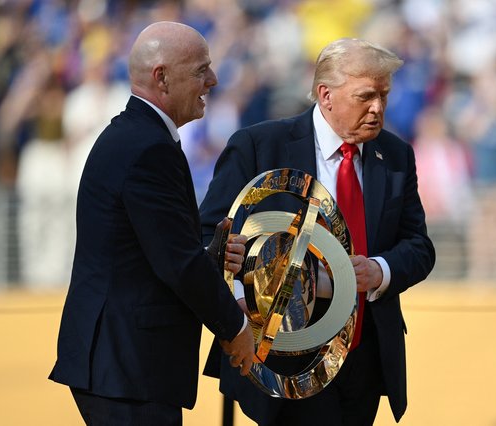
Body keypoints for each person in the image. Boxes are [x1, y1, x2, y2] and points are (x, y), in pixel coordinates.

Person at [200, 38, 436, 425]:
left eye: (384, 95)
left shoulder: (395, 156)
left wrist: (381, 270)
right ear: (325, 95)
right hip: (280, 348)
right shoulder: (260, 146)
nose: (378, 108)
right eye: (366, 96)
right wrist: (240, 301)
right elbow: (209, 234)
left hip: (363, 354)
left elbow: (419, 246)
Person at [48, 21, 255, 426]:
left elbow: (150, 251)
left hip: (122, 364)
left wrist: (210, 256)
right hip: (125, 367)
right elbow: (176, 263)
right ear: (161, 77)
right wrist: (235, 326)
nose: (212, 80)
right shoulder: (147, 148)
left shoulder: (139, 136)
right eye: (200, 70)